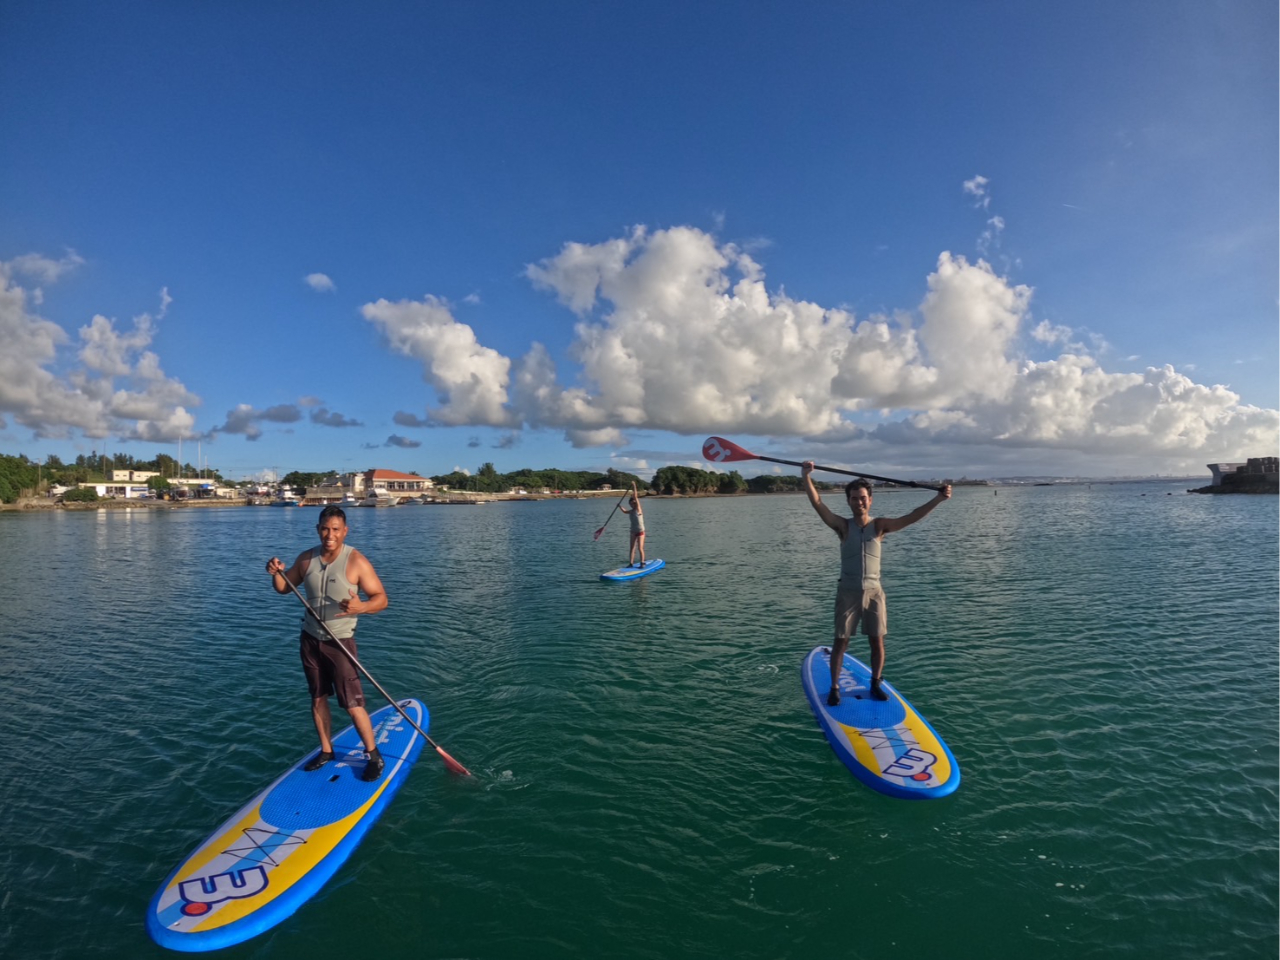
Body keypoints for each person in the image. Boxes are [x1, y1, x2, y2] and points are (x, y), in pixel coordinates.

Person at [801, 462, 951, 705]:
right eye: (853, 498)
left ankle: (876, 682)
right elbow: (818, 504)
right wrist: (806, 476)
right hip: (847, 592)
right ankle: (835, 687)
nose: (858, 502)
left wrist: (938, 500)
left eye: (862, 498)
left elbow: (911, 517)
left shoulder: (879, 526)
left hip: (874, 592)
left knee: (877, 640)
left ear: (870, 500)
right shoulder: (842, 527)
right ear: (848, 501)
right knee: (841, 641)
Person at [265, 505, 390, 781]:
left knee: (351, 702)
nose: (329, 535)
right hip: (310, 639)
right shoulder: (307, 559)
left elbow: (382, 598)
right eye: (324, 528)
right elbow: (284, 588)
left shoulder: (356, 561)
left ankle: (373, 755)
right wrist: (275, 570)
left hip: (340, 642)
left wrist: (362, 607)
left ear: (345, 531)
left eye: (335, 529)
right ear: (317, 529)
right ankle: (326, 750)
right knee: (318, 696)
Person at [617, 482, 647, 568]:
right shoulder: (631, 511)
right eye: (631, 503)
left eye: (634, 503)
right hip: (633, 531)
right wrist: (619, 506)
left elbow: (635, 496)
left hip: (641, 531)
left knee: (640, 548)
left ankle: (642, 563)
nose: (633, 504)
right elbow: (625, 511)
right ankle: (631, 563)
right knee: (632, 548)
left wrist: (634, 486)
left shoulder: (638, 510)